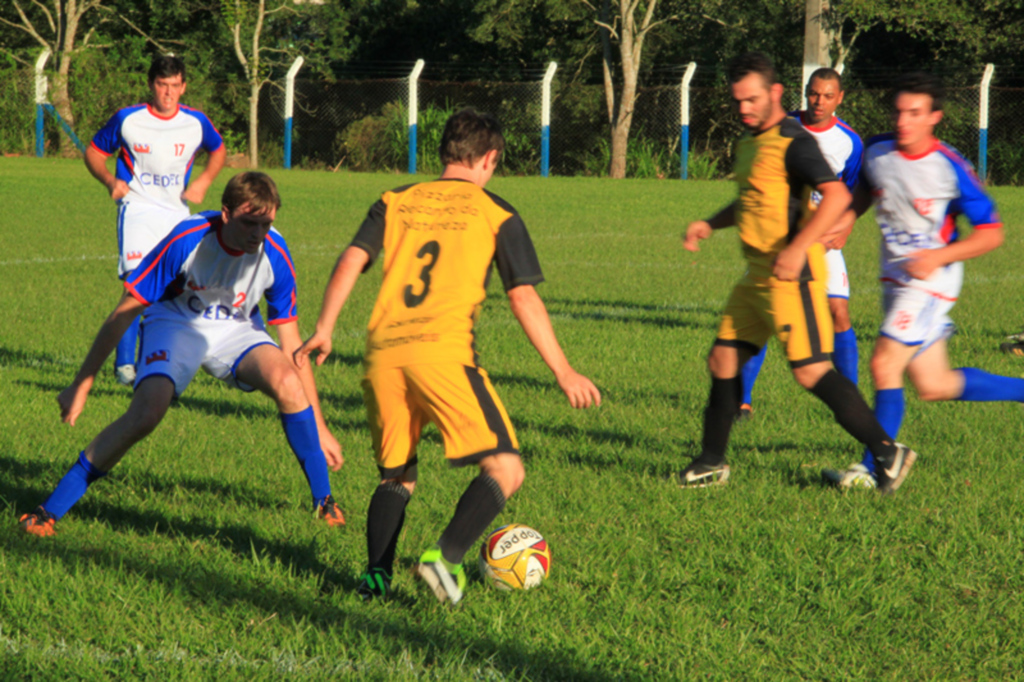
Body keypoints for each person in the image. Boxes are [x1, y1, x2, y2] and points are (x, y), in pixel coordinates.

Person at [296, 109, 601, 604]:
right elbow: (523, 298)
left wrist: (325, 328)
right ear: (489, 159)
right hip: (441, 353)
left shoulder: (395, 200)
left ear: (444, 154)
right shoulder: (496, 211)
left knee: (398, 475)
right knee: (506, 469)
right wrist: (563, 371)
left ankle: (375, 578)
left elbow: (353, 258)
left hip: (382, 357)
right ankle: (446, 557)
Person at [19, 173, 344, 537]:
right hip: (175, 322)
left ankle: (325, 503)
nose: (257, 233)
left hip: (236, 329)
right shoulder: (186, 239)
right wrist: (83, 382)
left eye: (266, 224)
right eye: (249, 223)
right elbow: (124, 312)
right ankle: (48, 511)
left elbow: (293, 347)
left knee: (287, 380)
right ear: (225, 214)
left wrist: (319, 426)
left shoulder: (276, 253)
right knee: (146, 413)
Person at [680, 52, 917, 494]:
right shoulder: (750, 142)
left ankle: (888, 453)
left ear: (775, 93)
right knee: (723, 360)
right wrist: (710, 222)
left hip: (795, 279)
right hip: (756, 279)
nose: (744, 109)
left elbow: (835, 198)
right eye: (737, 102)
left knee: (810, 372)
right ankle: (711, 460)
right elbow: (753, 201)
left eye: (751, 99)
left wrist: (799, 247)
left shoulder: (795, 142)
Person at [823, 73, 1024, 489]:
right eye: (898, 112)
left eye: (914, 113)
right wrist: (846, 220)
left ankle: (874, 466)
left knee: (883, 362)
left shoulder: (949, 168)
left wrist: (937, 256)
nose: (903, 121)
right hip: (895, 278)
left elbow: (992, 233)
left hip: (933, 279)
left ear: (935, 117)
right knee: (934, 384)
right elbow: (864, 187)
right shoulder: (877, 150)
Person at [85, 54, 227, 386]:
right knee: (136, 284)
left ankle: (155, 361)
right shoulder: (128, 119)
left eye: (174, 86)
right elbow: (93, 152)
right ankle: (124, 366)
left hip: (177, 215)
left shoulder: (196, 122)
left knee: (171, 290)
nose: (168, 93)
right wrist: (110, 181)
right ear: (151, 85)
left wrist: (204, 182)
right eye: (162, 85)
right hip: (137, 211)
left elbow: (218, 150)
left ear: (184, 86)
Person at [738, 68, 864, 421]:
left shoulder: (850, 142)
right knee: (761, 315)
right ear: (804, 93)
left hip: (823, 240)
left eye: (827, 95)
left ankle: (851, 400)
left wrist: (845, 226)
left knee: (839, 312)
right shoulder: (782, 126)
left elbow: (851, 193)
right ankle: (742, 402)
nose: (818, 102)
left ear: (839, 98)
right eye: (813, 94)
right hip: (779, 237)